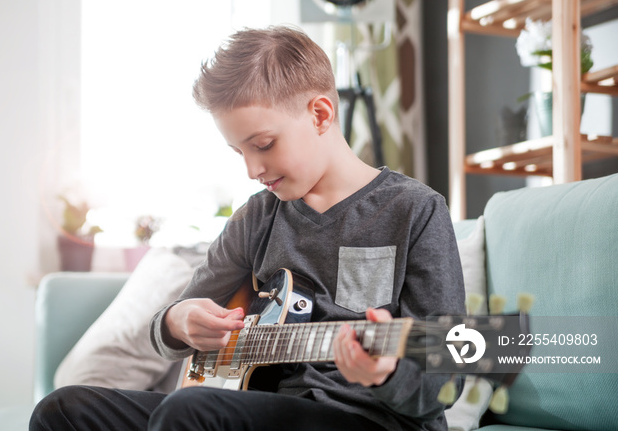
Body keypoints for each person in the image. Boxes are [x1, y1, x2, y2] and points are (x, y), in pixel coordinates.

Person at [30, 25, 465, 431]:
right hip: (256, 408)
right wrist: (178, 322)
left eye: (263, 145)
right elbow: (173, 323)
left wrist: (386, 373)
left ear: (319, 114)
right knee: (64, 409)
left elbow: (445, 381)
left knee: (189, 410)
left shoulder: (415, 210)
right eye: (239, 152)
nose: (252, 169)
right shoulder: (257, 217)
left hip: (368, 417)